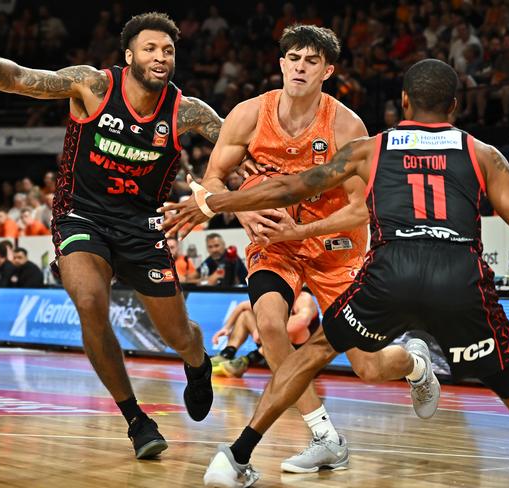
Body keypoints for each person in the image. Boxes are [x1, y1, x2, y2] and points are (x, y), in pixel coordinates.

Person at [163, 59, 509, 486]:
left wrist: (212, 204)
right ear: (456, 107)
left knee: (314, 352)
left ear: (403, 102)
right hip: (458, 278)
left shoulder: (370, 148)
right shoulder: (483, 154)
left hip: (390, 272)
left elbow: (290, 187)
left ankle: (235, 458)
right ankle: (323, 433)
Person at [0, 11, 226, 459]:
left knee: (179, 335)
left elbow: (237, 146)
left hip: (143, 227)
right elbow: (23, 78)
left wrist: (223, 186)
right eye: (151, 48)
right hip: (82, 216)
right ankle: (136, 420)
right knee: (90, 303)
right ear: (129, 55)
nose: (161, 57)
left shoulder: (187, 112)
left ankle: (198, 364)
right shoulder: (93, 85)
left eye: (168, 50)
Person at [171, 24, 415, 473]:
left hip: (335, 245)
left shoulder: (345, 124)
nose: (301, 67)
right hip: (274, 244)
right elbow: (212, 180)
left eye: (312, 61)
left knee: (369, 366)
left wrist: (298, 233)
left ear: (328, 71)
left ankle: (414, 361)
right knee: (269, 323)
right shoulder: (248, 114)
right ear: (281, 63)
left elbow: (361, 212)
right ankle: (324, 434)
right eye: (294, 59)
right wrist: (243, 213)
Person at [212, 291, 320, 378]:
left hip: (300, 353)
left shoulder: (303, 298)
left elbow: (302, 320)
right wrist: (226, 328)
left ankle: (247, 360)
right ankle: (227, 353)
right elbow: (242, 306)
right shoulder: (275, 296)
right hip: (272, 344)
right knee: (245, 315)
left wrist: (265, 332)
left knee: (296, 329)